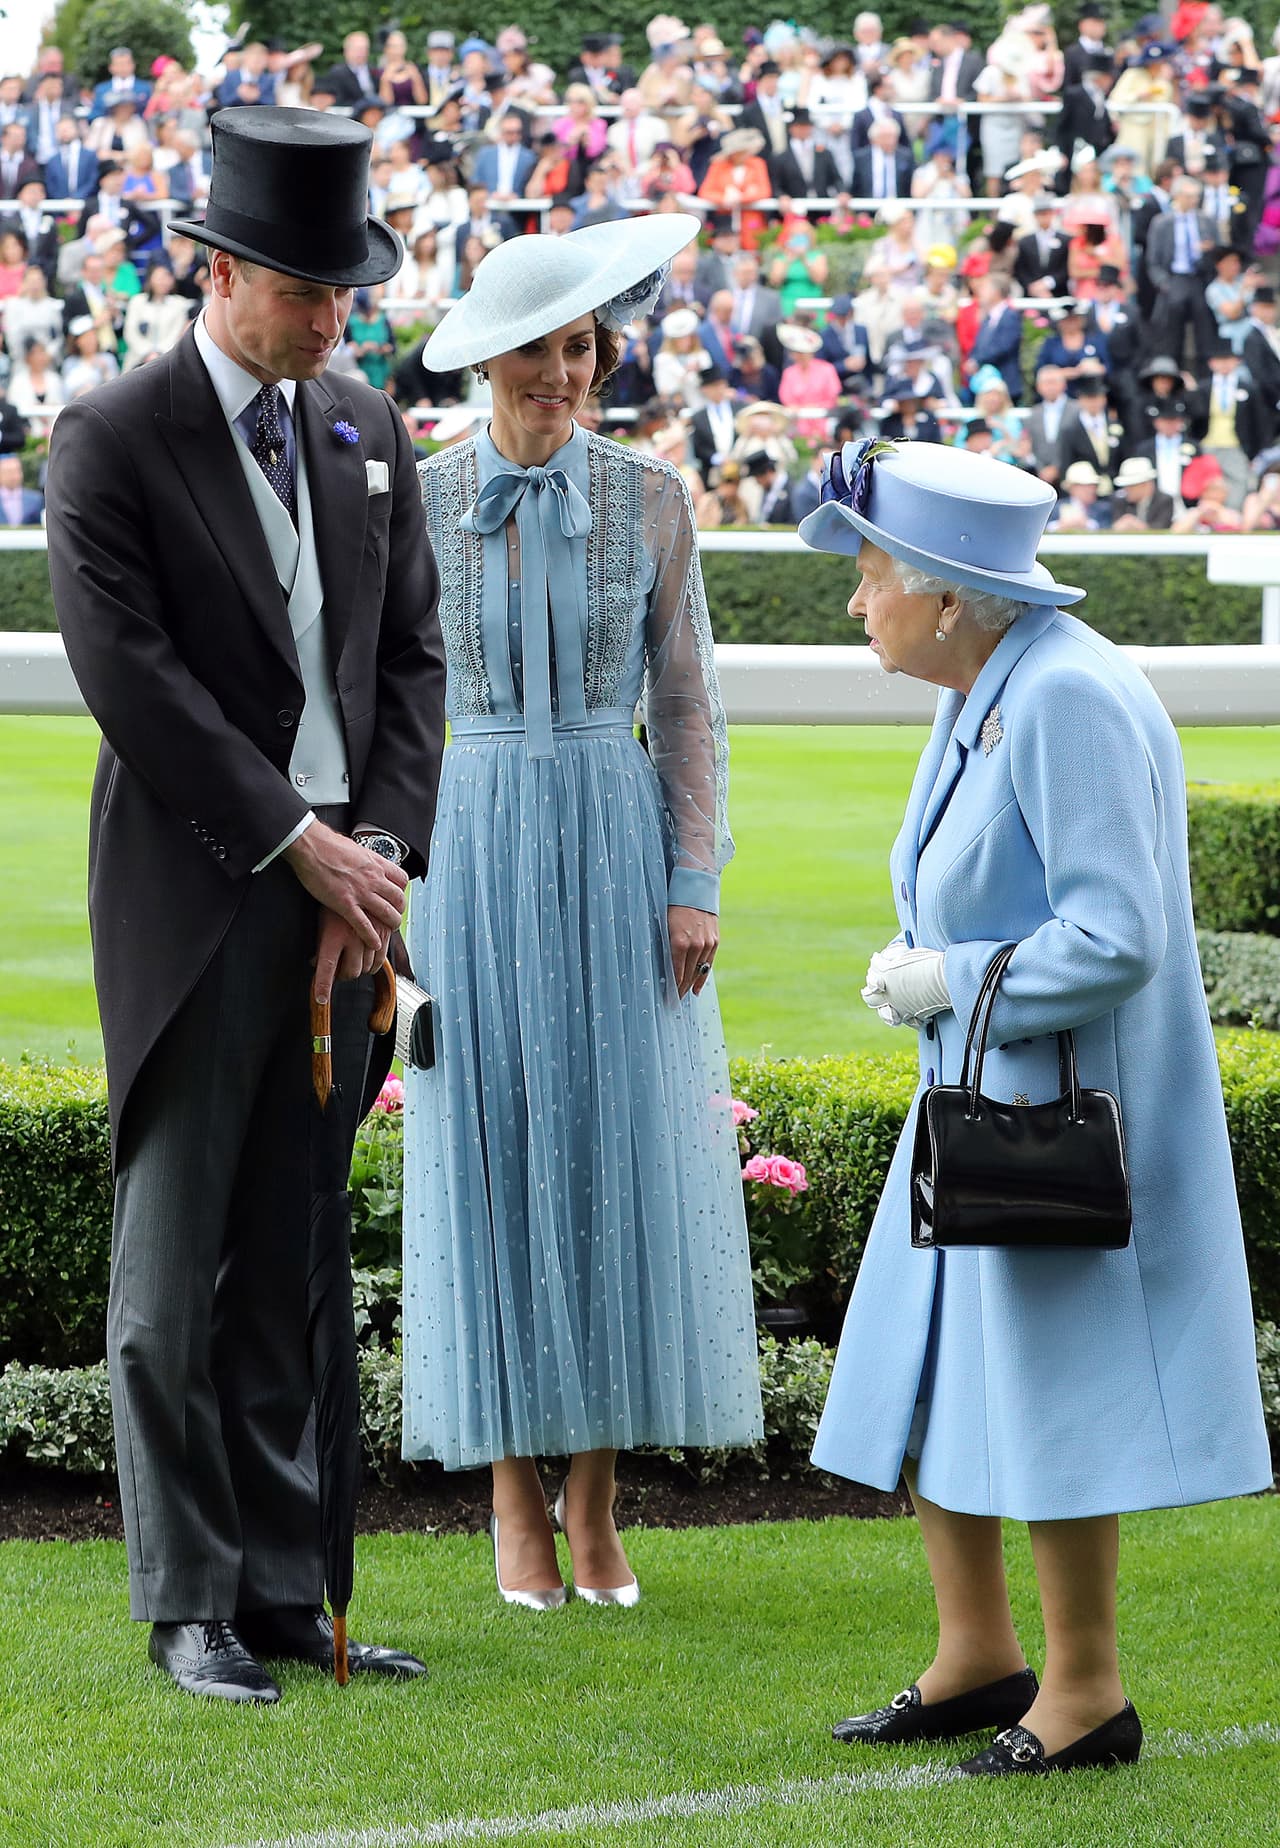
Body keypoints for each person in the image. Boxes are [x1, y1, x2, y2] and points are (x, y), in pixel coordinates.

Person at [45, 107, 446, 1706]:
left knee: (291, 1257)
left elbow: (409, 659)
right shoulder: (111, 435)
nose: (333, 316)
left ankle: (285, 1594)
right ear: (216, 272)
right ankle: (188, 1603)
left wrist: (377, 858)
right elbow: (132, 681)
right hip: (201, 897)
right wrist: (300, 846)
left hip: (350, 908)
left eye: (346, 288)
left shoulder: (362, 426)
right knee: (171, 1276)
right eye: (303, 287)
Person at [797, 436, 1271, 1776]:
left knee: (1054, 1393)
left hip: (1046, 1115)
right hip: (978, 1093)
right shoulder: (994, 684)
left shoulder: (1062, 694)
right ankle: (977, 1657)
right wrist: (931, 973)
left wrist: (950, 979)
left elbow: (1118, 936)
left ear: (948, 595)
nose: (857, 599)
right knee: (936, 1365)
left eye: (872, 573)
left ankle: (1084, 1695)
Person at [405, 216, 763, 1607]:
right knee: (490, 1155)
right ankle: (512, 1496)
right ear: (485, 359)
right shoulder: (417, 498)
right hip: (473, 840)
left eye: (581, 348)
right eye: (538, 350)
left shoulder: (653, 497)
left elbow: (687, 703)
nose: (562, 373)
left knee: (616, 1154)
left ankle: (597, 1501)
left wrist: (692, 883)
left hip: (617, 842)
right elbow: (382, 702)